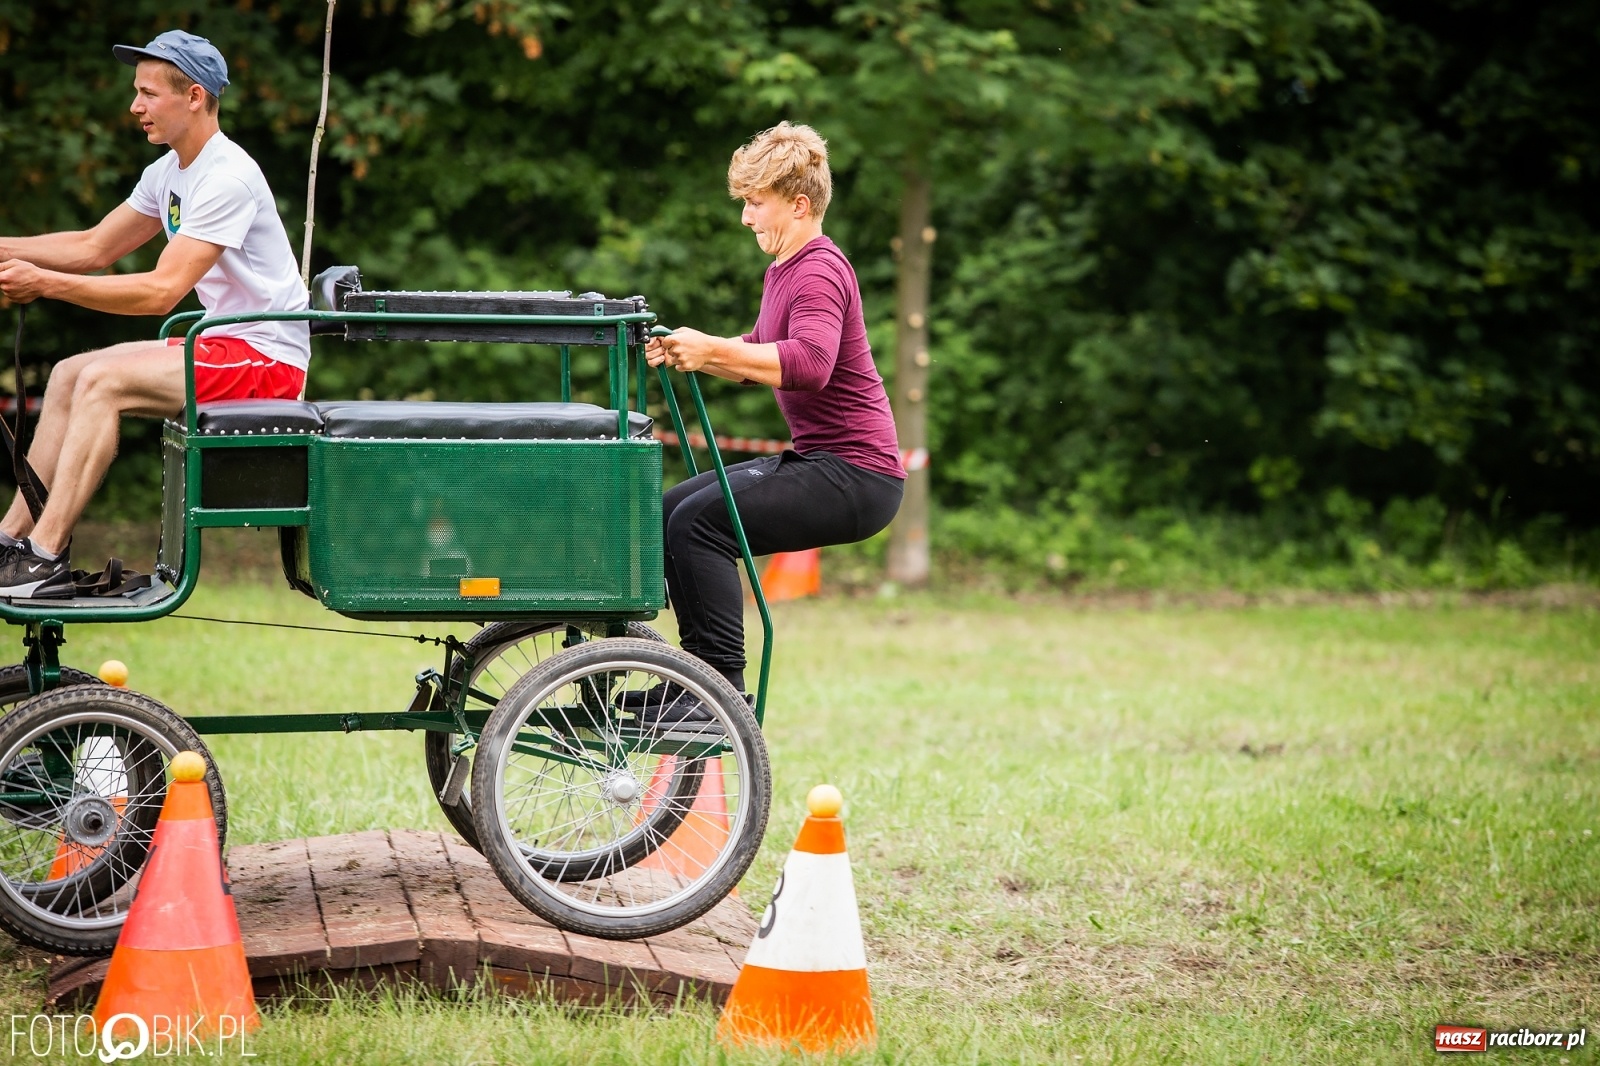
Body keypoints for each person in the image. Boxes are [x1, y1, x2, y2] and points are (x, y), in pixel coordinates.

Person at [0, 30, 310, 598]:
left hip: (267, 360)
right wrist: (7, 249)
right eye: (136, 92)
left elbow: (160, 293)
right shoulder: (169, 170)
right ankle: (13, 541)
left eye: (148, 93)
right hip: (222, 344)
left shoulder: (227, 177)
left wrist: (43, 283)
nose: (135, 106)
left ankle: (45, 555)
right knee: (70, 371)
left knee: (101, 380)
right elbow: (94, 247)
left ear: (194, 96)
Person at [639, 121, 905, 726]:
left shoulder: (817, 270)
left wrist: (712, 350)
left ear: (799, 204)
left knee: (702, 526)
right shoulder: (785, 269)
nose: (746, 218)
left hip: (856, 477)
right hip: (824, 463)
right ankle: (691, 680)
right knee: (670, 511)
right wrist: (692, 350)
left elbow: (809, 364)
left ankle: (713, 695)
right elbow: (760, 348)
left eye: (756, 204)